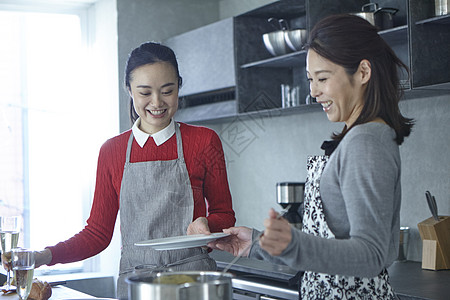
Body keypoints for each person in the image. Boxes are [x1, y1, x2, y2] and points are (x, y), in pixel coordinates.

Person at [4, 42, 235, 299]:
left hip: (194, 283)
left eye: (167, 91)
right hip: (137, 284)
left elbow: (224, 214)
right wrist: (42, 256)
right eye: (145, 92)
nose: (157, 102)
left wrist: (208, 225)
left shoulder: (204, 141)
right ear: (129, 90)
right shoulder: (112, 151)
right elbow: (97, 234)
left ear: (179, 86)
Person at [209, 14, 414, 299]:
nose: (313, 92)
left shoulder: (366, 142)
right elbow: (328, 246)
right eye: (310, 80)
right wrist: (257, 244)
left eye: (323, 78)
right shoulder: (359, 138)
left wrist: (293, 245)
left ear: (363, 72)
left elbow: (371, 255)